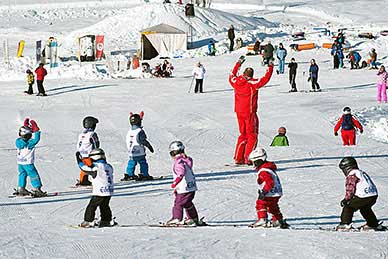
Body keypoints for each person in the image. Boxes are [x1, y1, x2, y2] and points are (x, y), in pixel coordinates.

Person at [229, 55, 274, 165]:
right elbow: (265, 79)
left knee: (243, 134)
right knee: (252, 135)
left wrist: (238, 63)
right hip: (250, 112)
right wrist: (270, 66)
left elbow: (232, 75)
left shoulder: (235, 82)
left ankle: (238, 158)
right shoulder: (252, 83)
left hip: (239, 111)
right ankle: (249, 158)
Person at [336, 157, 386, 231]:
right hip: (372, 195)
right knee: (365, 208)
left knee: (348, 206)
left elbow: (350, 188)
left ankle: (345, 224)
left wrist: (347, 199)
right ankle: (373, 224)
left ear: (348, 167)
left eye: (343, 169)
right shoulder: (360, 172)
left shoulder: (352, 174)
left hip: (363, 196)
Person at [248, 148, 289, 228]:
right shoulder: (268, 168)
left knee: (260, 204)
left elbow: (269, 182)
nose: (253, 165)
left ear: (258, 161)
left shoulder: (264, 171)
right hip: (277, 192)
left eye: (253, 162)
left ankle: (262, 219)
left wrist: (264, 192)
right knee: (272, 206)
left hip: (269, 192)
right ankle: (278, 220)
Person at [165, 141, 204, 226]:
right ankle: (193, 218)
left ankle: (176, 218)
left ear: (172, 153)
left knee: (178, 203)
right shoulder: (186, 160)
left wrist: (175, 183)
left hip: (184, 188)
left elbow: (181, 173)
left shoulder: (178, 162)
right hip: (191, 187)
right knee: (187, 203)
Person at [77, 148, 115, 228]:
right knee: (104, 205)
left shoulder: (96, 167)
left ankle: (88, 221)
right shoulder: (109, 166)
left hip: (100, 191)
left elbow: (84, 168)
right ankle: (106, 220)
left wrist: (79, 160)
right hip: (109, 190)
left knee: (92, 206)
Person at [13, 118, 47, 197]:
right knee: (33, 175)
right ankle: (37, 189)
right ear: (29, 135)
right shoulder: (30, 144)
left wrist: (26, 127)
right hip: (28, 163)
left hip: (20, 163)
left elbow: (24, 136)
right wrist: (36, 130)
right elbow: (36, 139)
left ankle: (21, 187)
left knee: (22, 174)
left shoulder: (18, 141)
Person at [121, 112, 154, 181]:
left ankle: (129, 174)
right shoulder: (139, 131)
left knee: (131, 163)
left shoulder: (129, 131)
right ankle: (144, 174)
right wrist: (149, 146)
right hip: (139, 151)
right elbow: (142, 140)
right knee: (143, 163)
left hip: (131, 152)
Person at [76, 116, 100, 186]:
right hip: (90, 155)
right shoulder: (92, 134)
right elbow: (96, 144)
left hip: (82, 155)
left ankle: (83, 180)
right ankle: (98, 180)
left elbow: (79, 145)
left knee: (84, 168)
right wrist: (96, 152)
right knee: (94, 168)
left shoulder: (81, 134)